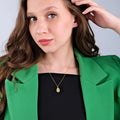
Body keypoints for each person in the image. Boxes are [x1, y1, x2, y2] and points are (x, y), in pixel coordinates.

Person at [0, 0, 120, 119]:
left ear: (76, 19)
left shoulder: (112, 71)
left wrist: (116, 24)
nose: (40, 30)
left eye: (52, 15)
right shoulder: (6, 71)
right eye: (33, 18)